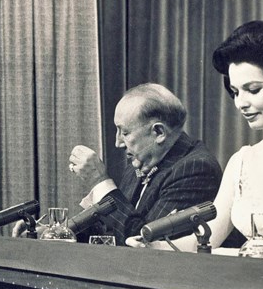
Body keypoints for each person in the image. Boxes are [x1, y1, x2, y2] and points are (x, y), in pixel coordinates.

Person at [128, 21, 263, 259]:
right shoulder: (242, 161)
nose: (240, 103)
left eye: (253, 89)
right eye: (236, 92)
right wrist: (155, 247)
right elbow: (210, 237)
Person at [63, 83, 223, 244]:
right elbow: (109, 228)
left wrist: (99, 181)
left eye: (125, 132)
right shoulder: (142, 161)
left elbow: (143, 243)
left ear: (159, 132)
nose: (118, 143)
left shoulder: (196, 169)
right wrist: (58, 231)